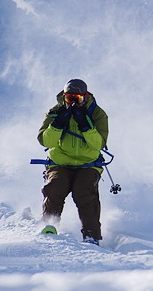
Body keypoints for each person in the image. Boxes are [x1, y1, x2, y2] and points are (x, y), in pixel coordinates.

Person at [37, 78, 109, 244]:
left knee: (84, 191)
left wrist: (86, 126)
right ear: (64, 97)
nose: (73, 104)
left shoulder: (97, 114)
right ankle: (49, 225)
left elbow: (99, 144)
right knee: (55, 186)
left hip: (88, 164)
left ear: (85, 96)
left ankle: (91, 234)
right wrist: (57, 124)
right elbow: (45, 141)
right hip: (60, 162)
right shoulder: (55, 112)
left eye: (78, 99)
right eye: (70, 99)